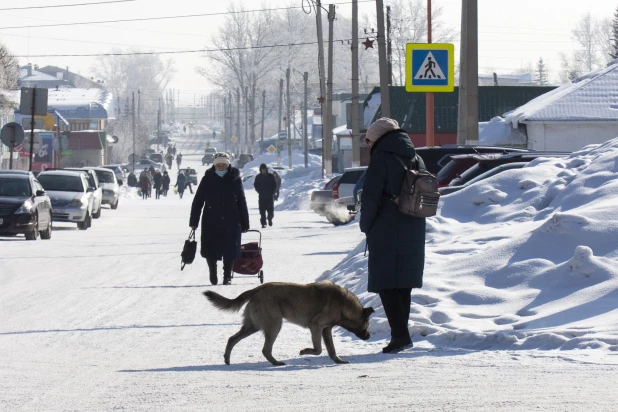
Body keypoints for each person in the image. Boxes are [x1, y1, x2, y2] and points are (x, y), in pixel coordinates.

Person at [359, 117, 426, 354]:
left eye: (369, 140)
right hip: (414, 226)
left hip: (387, 227)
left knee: (387, 283)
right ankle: (402, 335)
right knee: (403, 285)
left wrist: (365, 225)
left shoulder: (381, 158)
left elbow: (371, 197)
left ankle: (400, 337)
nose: (368, 145)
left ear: (378, 138)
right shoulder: (415, 157)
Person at [190, 152, 249, 286]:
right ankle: (213, 271)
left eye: (223, 164)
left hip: (232, 219)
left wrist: (245, 222)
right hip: (211, 219)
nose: (221, 166)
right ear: (214, 165)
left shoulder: (235, 179)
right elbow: (198, 201)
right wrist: (194, 222)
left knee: (230, 250)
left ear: (227, 165)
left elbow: (241, 201)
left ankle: (227, 276)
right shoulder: (207, 179)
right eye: (218, 164)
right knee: (211, 248)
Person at [253, 163, 277, 228]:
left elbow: (274, 185)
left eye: (264, 170)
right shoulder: (258, 177)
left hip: (269, 197)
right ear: (260, 170)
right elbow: (256, 185)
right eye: (262, 170)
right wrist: (259, 191)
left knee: (270, 211)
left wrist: (272, 192)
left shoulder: (271, 176)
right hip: (262, 197)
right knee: (262, 211)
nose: (263, 171)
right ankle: (263, 223)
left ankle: (269, 219)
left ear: (266, 170)